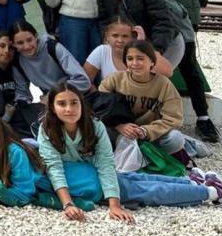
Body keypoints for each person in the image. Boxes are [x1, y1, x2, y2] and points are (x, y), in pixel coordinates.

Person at [38, 81, 217, 220]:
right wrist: (68, 203)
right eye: (61, 104)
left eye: (74, 103)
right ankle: (195, 183)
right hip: (87, 178)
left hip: (95, 176)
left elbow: (105, 163)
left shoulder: (94, 125)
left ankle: (210, 190)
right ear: (52, 107)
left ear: (82, 104)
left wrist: (114, 203)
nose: (69, 109)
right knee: (139, 182)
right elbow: (54, 168)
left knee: (145, 187)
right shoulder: (47, 129)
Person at [137, 0, 222, 143]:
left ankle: (203, 118)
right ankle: (153, 116)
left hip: (183, 17)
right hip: (154, 20)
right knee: (154, 66)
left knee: (189, 67)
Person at [98, 40, 188, 164]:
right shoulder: (114, 79)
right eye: (130, 58)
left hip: (150, 137)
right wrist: (119, 126)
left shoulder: (164, 84)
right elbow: (98, 107)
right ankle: (124, 159)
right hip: (119, 133)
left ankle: (143, 161)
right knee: (96, 129)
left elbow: (173, 118)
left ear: (152, 61)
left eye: (140, 58)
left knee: (176, 139)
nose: (134, 63)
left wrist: (146, 131)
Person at [8, 20, 91, 136]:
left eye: (29, 40)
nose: (26, 46)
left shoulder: (52, 47)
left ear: (35, 36)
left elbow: (83, 81)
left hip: (72, 96)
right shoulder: (18, 62)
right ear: (14, 44)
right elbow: (22, 93)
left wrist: (53, 95)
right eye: (20, 43)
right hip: (50, 106)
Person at [84, 16, 174, 85]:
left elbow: (168, 72)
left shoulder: (140, 52)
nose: (120, 40)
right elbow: (86, 81)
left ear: (132, 38)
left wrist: (143, 44)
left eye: (125, 36)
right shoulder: (102, 51)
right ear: (107, 36)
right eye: (115, 36)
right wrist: (97, 99)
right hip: (110, 103)